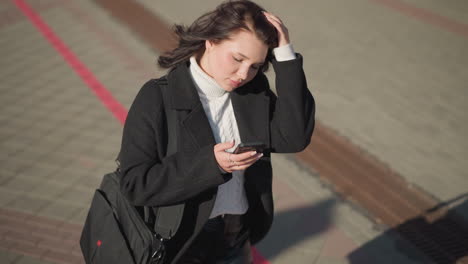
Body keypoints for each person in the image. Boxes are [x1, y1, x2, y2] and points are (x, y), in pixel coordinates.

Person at [117, 0, 315, 263]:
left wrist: (285, 55)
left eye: (255, 65)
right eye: (237, 58)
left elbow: (294, 137)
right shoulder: (158, 96)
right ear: (211, 40)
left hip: (235, 236)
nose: (244, 74)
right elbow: (135, 184)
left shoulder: (252, 92)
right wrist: (211, 164)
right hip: (178, 244)